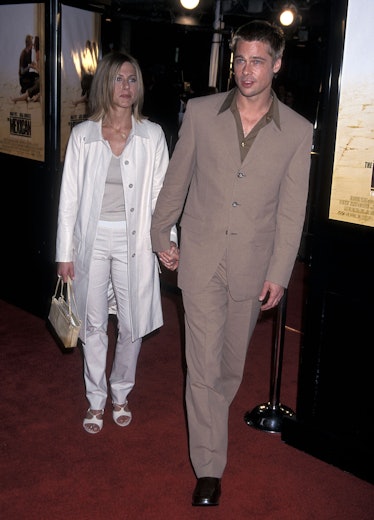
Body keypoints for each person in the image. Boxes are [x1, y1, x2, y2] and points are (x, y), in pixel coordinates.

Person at [150, 20, 313, 506]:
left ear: (277, 64)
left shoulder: (298, 131)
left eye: (258, 60)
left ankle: (210, 417)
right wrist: (163, 234)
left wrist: (280, 273)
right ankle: (209, 467)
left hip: (251, 267)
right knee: (199, 367)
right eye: (240, 59)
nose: (246, 69)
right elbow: (175, 183)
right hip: (198, 261)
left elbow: (291, 212)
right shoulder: (200, 113)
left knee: (227, 370)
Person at [56, 52, 176, 434]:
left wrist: (167, 241)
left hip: (135, 241)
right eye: (119, 79)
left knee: (132, 323)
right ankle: (96, 400)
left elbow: (162, 197)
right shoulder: (83, 135)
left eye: (133, 79)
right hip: (90, 241)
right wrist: (64, 254)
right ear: (105, 83)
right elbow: (68, 199)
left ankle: (120, 391)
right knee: (92, 324)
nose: (126, 87)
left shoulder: (152, 135)